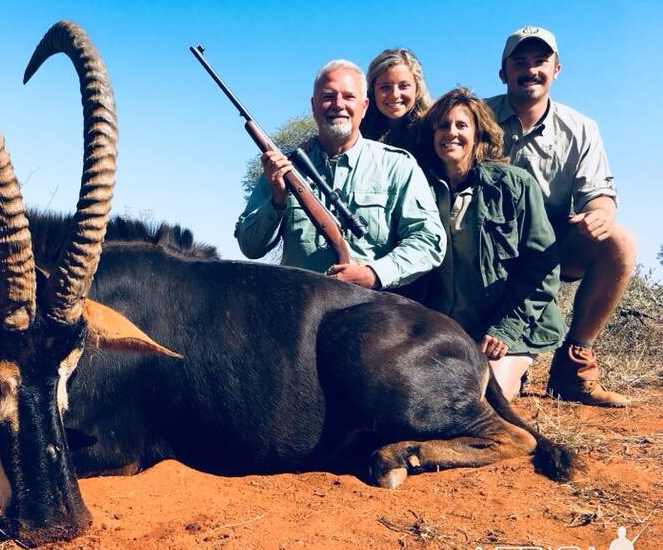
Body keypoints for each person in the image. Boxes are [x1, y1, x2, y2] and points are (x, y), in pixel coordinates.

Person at [486, 26, 637, 407]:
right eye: (520, 62)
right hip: (483, 249)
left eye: (540, 61)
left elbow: (600, 194)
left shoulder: (582, 128)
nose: (530, 70)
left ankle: (574, 364)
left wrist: (600, 214)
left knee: (619, 241)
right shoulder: (475, 116)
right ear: (503, 73)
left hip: (547, 247)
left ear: (557, 69)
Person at [235, 59, 445, 290]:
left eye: (348, 97)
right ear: (313, 105)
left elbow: (428, 240)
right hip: (296, 312)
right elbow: (250, 246)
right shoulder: (281, 168)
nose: (338, 105)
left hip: (371, 311)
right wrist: (277, 199)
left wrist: (374, 273)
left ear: (364, 107)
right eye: (328, 97)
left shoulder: (396, 165)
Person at [420, 88, 565, 400]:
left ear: (478, 133)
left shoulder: (514, 185)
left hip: (507, 332)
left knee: (481, 400)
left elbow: (542, 270)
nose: (451, 133)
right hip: (451, 333)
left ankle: (513, 373)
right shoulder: (420, 188)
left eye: (461, 125)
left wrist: (505, 330)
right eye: (443, 125)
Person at [362, 48, 432, 155]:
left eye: (404, 86)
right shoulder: (358, 131)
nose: (394, 95)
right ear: (372, 91)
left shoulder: (432, 129)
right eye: (385, 87)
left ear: (417, 89)